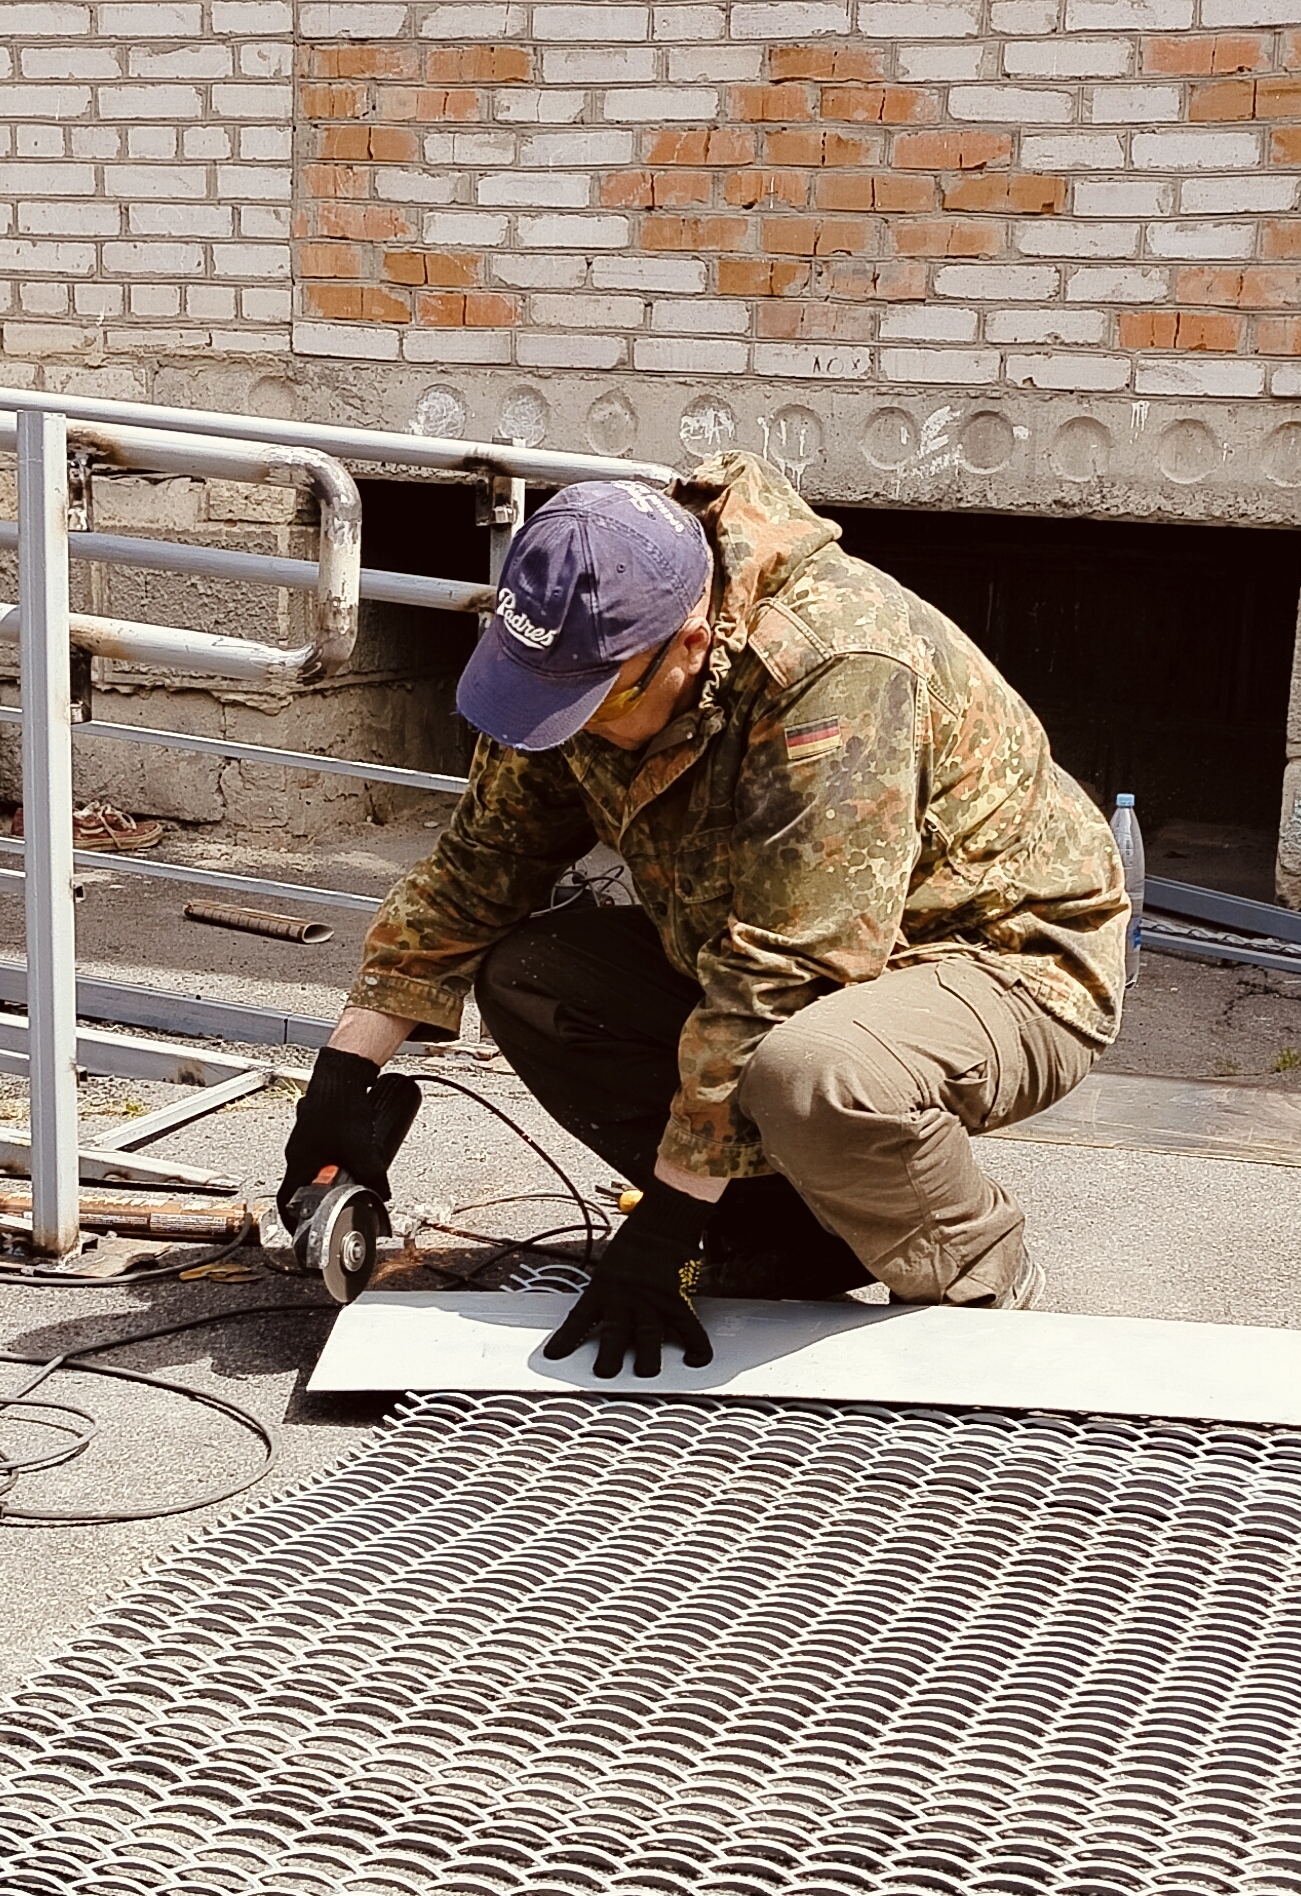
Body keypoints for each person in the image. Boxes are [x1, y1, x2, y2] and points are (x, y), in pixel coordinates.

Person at [275, 456, 1132, 1377]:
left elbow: (793, 967)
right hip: (778, 944)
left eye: (598, 702)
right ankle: (791, 1241)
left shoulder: (833, 665)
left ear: (688, 638)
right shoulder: (591, 647)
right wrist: (343, 1078)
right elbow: (484, 861)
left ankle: (985, 1294)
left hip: (999, 955)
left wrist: (670, 1222)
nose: (578, 725)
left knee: (814, 1070)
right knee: (534, 980)